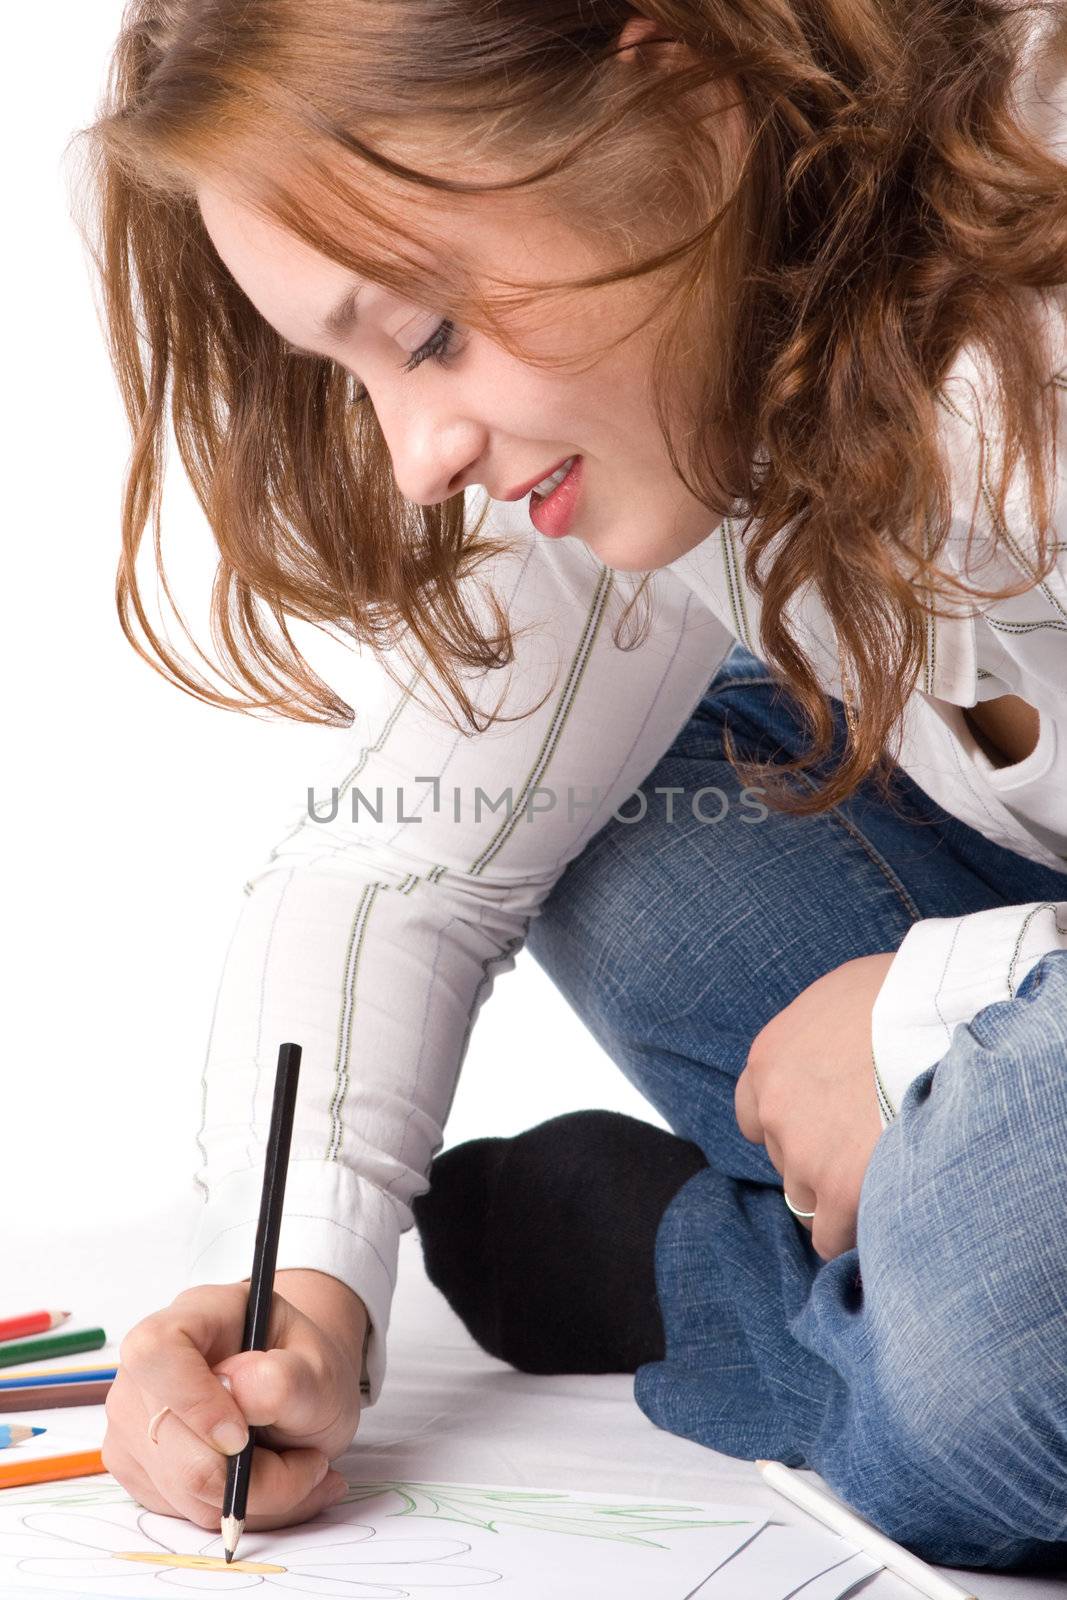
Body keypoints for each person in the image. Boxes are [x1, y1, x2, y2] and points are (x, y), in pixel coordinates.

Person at [76, 0, 1067, 1573]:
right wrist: (302, 1291)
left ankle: (708, 1284)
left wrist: (934, 1011)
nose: (413, 456)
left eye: (428, 335)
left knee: (1012, 1346)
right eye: (355, 371)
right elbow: (402, 864)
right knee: (627, 840)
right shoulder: (684, 347)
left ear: (674, 97)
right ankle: (926, 1232)